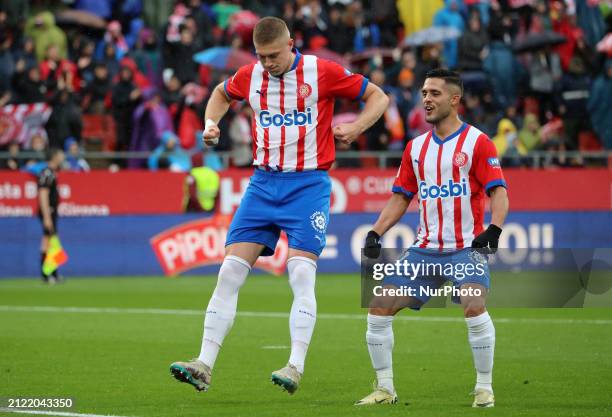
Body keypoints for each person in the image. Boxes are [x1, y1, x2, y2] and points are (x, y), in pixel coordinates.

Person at [170, 16, 389, 394]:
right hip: (262, 184)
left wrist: (356, 128)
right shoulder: (249, 76)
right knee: (229, 273)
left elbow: (378, 97)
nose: (267, 64)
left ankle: (295, 366)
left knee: (300, 274)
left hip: (307, 186)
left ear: (291, 45)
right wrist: (211, 123)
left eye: (273, 55)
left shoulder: (322, 72)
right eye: (261, 56)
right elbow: (221, 94)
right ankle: (203, 364)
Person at [355, 69, 509, 407]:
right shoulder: (415, 148)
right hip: (423, 252)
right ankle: (385, 389)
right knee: (379, 306)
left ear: (454, 99)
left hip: (465, 248)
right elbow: (401, 196)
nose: (426, 98)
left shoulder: (478, 142)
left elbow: (498, 191)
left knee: (473, 304)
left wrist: (494, 229)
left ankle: (484, 388)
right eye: (424, 92)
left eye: (435, 93)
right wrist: (376, 231)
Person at [38, 148, 65, 284]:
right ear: (54, 156)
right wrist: (46, 217)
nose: (62, 156)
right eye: (60, 154)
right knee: (48, 242)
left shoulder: (52, 173)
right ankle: (47, 275)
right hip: (48, 212)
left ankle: (52, 274)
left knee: (53, 242)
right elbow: (43, 195)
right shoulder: (46, 173)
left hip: (52, 212)